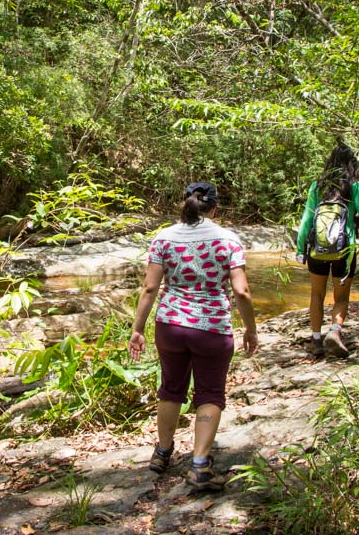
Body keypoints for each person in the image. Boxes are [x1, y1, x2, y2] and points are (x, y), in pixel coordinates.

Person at [128, 182, 258, 491]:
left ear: (184, 205)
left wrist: (137, 328)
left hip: (170, 325)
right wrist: (250, 328)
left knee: (171, 388)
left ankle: (162, 452)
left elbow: (149, 288)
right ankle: (200, 465)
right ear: (215, 208)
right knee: (210, 393)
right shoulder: (228, 240)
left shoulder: (163, 238)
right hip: (212, 328)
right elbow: (241, 291)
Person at [295, 144, 359, 358]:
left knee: (317, 294)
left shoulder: (317, 186)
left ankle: (316, 341)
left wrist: (300, 248)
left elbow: (306, 220)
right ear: (352, 164)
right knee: (341, 297)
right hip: (345, 250)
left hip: (317, 250)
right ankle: (334, 331)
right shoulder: (355, 186)